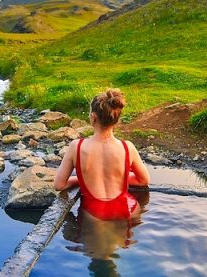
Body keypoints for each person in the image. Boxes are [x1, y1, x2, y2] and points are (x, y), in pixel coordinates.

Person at [54, 88, 150, 219]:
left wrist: (82, 179)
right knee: (124, 237)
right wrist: (118, 177)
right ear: (116, 119)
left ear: (93, 117)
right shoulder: (128, 147)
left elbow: (59, 185)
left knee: (69, 235)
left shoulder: (76, 146)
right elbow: (143, 181)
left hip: (95, 212)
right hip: (128, 208)